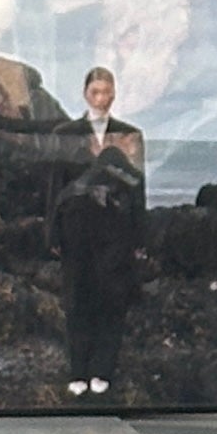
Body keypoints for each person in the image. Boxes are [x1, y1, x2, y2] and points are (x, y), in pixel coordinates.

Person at [48, 63, 145, 400]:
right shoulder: (66, 133)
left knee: (112, 300)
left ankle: (103, 370)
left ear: (114, 94)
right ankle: (78, 370)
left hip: (116, 231)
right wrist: (53, 233)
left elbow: (137, 188)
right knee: (77, 300)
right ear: (86, 94)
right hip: (76, 228)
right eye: (95, 91)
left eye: (107, 92)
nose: (101, 98)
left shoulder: (130, 135)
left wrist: (140, 237)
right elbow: (56, 185)